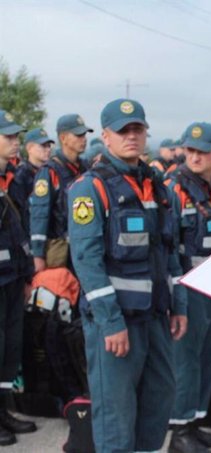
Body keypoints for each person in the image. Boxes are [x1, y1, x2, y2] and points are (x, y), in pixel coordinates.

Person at [68, 99, 188, 453]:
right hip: (117, 324)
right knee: (116, 419)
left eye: (137, 129)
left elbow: (171, 253)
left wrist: (178, 305)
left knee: (158, 405)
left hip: (156, 319)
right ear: (106, 136)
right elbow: (86, 261)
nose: (131, 136)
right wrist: (111, 323)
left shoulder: (158, 186)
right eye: (123, 130)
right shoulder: (90, 188)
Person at [166, 122, 211, 453]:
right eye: (189, 150)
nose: (195, 157)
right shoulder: (174, 189)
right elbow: (167, 245)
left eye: (202, 151)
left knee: (207, 353)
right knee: (186, 358)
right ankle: (179, 430)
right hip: (187, 286)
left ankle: (196, 420)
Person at [0, 111, 37, 446]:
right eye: (8, 136)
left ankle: (4, 409)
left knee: (10, 347)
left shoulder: (12, 178)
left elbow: (18, 231)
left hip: (13, 277)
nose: (16, 141)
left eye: (16, 136)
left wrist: (27, 274)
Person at [30, 113, 91, 272]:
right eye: (78, 135)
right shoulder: (49, 171)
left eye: (84, 134)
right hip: (61, 251)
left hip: (85, 248)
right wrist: (38, 254)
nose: (83, 138)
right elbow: (39, 214)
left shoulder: (86, 168)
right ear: (63, 138)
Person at [15, 128, 53, 212]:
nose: (48, 149)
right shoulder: (21, 175)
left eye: (49, 145)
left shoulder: (52, 171)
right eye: (43, 145)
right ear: (29, 148)